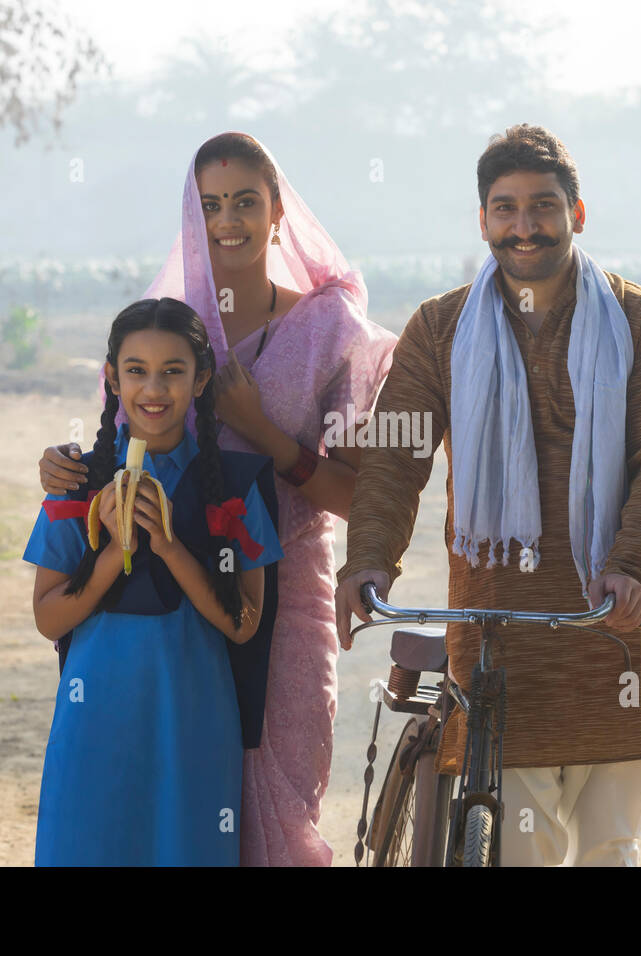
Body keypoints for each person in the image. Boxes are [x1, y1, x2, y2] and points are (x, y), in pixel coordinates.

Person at [334, 123, 641, 867]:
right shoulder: (439, 330)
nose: (524, 226)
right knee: (516, 848)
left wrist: (633, 568)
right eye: (505, 209)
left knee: (611, 846)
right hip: (501, 635)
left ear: (578, 213)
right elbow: (396, 456)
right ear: (483, 221)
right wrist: (368, 559)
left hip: (617, 625)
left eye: (542, 206)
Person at [37, 132, 398, 865]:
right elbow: (118, 443)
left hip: (283, 583)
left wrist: (263, 433)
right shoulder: (166, 324)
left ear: (277, 213)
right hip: (158, 587)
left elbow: (360, 496)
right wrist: (61, 469)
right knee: (167, 787)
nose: (227, 221)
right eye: (209, 206)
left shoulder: (331, 332)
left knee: (282, 789)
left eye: (244, 202)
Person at [23, 296, 284, 865]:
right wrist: (115, 551)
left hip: (192, 719)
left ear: (202, 378)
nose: (154, 390)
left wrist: (165, 544)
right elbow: (48, 618)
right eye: (136, 371)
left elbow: (243, 624)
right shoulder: (76, 486)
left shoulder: (236, 491)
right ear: (112, 378)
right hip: (93, 714)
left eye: (173, 371)